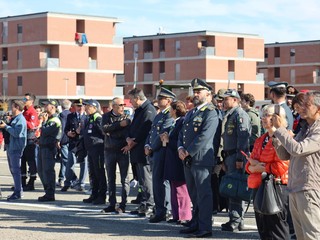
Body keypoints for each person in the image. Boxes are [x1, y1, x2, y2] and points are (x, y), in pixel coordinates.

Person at [271, 91, 320, 240]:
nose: (300, 108)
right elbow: (286, 155)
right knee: (300, 236)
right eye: (298, 105)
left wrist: (281, 130)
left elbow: (297, 149)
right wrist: (276, 135)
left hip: (309, 188)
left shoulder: (317, 130)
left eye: (306, 104)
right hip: (296, 187)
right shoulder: (305, 128)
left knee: (312, 234)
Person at [177, 78, 219, 238]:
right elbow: (182, 133)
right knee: (194, 194)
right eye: (194, 91)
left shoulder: (211, 112)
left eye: (198, 91)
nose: (195, 94)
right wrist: (180, 148)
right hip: (188, 159)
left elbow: (205, 136)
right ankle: (195, 223)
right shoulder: (192, 112)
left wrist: (188, 152)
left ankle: (205, 227)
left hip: (201, 159)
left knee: (204, 194)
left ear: (207, 94)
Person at [246, 104, 290, 239]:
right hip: (260, 186)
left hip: (277, 187)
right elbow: (249, 164)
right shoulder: (261, 139)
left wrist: (260, 167)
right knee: (263, 229)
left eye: (267, 115)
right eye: (263, 115)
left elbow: (281, 166)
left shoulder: (285, 137)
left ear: (278, 118)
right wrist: (253, 167)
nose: (263, 118)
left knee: (277, 229)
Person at [220, 89, 251, 232]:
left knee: (236, 188)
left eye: (227, 99)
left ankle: (236, 220)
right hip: (229, 156)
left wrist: (240, 158)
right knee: (232, 188)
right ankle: (235, 219)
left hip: (236, 156)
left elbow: (243, 139)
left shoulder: (240, 115)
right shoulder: (230, 114)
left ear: (235, 100)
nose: (224, 101)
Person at [122, 88, 156, 217]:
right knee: (141, 180)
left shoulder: (149, 110)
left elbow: (145, 131)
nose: (130, 102)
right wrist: (128, 138)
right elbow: (132, 128)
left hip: (143, 151)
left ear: (137, 98)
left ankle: (150, 205)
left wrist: (132, 142)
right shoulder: (139, 110)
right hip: (136, 150)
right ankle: (143, 203)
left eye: (131, 99)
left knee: (147, 180)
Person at [145, 87, 175, 223]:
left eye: (161, 98)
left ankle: (164, 210)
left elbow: (164, 132)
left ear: (168, 101)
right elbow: (151, 133)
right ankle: (160, 209)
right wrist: (147, 145)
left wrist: (151, 147)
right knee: (157, 182)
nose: (158, 100)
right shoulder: (159, 114)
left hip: (161, 152)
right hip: (154, 152)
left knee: (161, 182)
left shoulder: (169, 115)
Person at [161, 100, 192, 224]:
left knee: (181, 189)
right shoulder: (175, 123)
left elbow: (181, 142)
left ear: (175, 110)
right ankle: (176, 214)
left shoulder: (182, 122)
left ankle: (184, 215)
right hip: (171, 159)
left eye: (171, 109)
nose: (169, 112)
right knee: (174, 188)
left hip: (177, 159)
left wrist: (168, 140)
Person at [101, 97, 131, 214]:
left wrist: (112, 130)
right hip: (109, 150)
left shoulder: (126, 117)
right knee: (111, 178)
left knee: (124, 179)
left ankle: (123, 204)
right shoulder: (106, 116)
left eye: (123, 105)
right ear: (113, 106)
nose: (123, 107)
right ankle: (112, 203)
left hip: (122, 150)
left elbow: (126, 132)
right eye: (120, 105)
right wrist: (119, 125)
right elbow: (104, 129)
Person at [0, 100, 27, 200]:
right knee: (13, 170)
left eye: (13, 107)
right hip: (11, 147)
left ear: (17, 107)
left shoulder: (20, 119)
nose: (11, 108)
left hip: (16, 147)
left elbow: (16, 133)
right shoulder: (14, 118)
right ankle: (18, 190)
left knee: (16, 171)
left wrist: (6, 127)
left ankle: (18, 192)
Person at [82, 99, 107, 205]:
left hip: (98, 150)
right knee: (92, 173)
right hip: (91, 150)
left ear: (95, 107)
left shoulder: (98, 118)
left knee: (99, 173)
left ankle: (101, 196)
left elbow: (104, 133)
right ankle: (94, 193)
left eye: (88, 106)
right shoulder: (90, 118)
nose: (86, 108)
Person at [61, 99, 88, 192]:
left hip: (83, 143)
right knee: (70, 164)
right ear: (75, 106)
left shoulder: (87, 116)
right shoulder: (70, 116)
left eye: (82, 106)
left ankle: (81, 183)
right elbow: (66, 129)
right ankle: (67, 182)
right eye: (78, 106)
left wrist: (80, 132)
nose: (80, 108)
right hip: (73, 143)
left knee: (84, 164)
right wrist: (68, 133)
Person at [37, 99, 62, 202]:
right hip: (42, 147)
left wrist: (42, 122)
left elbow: (46, 131)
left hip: (48, 148)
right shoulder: (49, 119)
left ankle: (50, 193)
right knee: (41, 170)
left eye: (46, 105)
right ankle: (47, 191)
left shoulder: (55, 120)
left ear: (52, 107)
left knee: (48, 171)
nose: (44, 107)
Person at [21, 93, 39, 191]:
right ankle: (22, 181)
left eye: (26, 99)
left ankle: (31, 182)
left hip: (30, 139)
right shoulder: (24, 111)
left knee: (31, 160)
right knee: (22, 160)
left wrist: (22, 120)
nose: (24, 100)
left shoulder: (32, 112)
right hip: (24, 138)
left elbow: (32, 125)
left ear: (31, 101)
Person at [56, 99, 71, 187]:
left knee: (65, 160)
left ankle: (65, 178)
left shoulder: (61, 115)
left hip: (64, 140)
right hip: (71, 139)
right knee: (67, 160)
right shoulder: (71, 115)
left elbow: (61, 128)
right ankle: (65, 178)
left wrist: (58, 140)